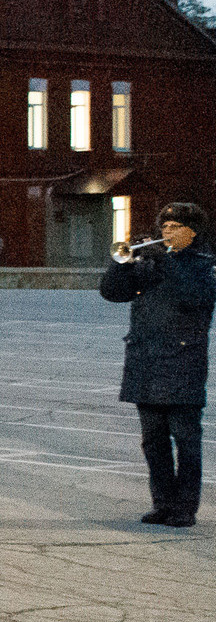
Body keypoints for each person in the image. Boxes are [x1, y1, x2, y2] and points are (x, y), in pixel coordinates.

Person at [102, 202, 212, 528]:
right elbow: (112, 293)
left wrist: (165, 264)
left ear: (193, 232)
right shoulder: (151, 265)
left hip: (182, 362)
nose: (167, 231)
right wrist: (121, 264)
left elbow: (194, 297)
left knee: (186, 440)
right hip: (145, 361)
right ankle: (162, 503)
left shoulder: (206, 265)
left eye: (176, 226)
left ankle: (185, 508)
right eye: (164, 226)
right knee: (153, 440)